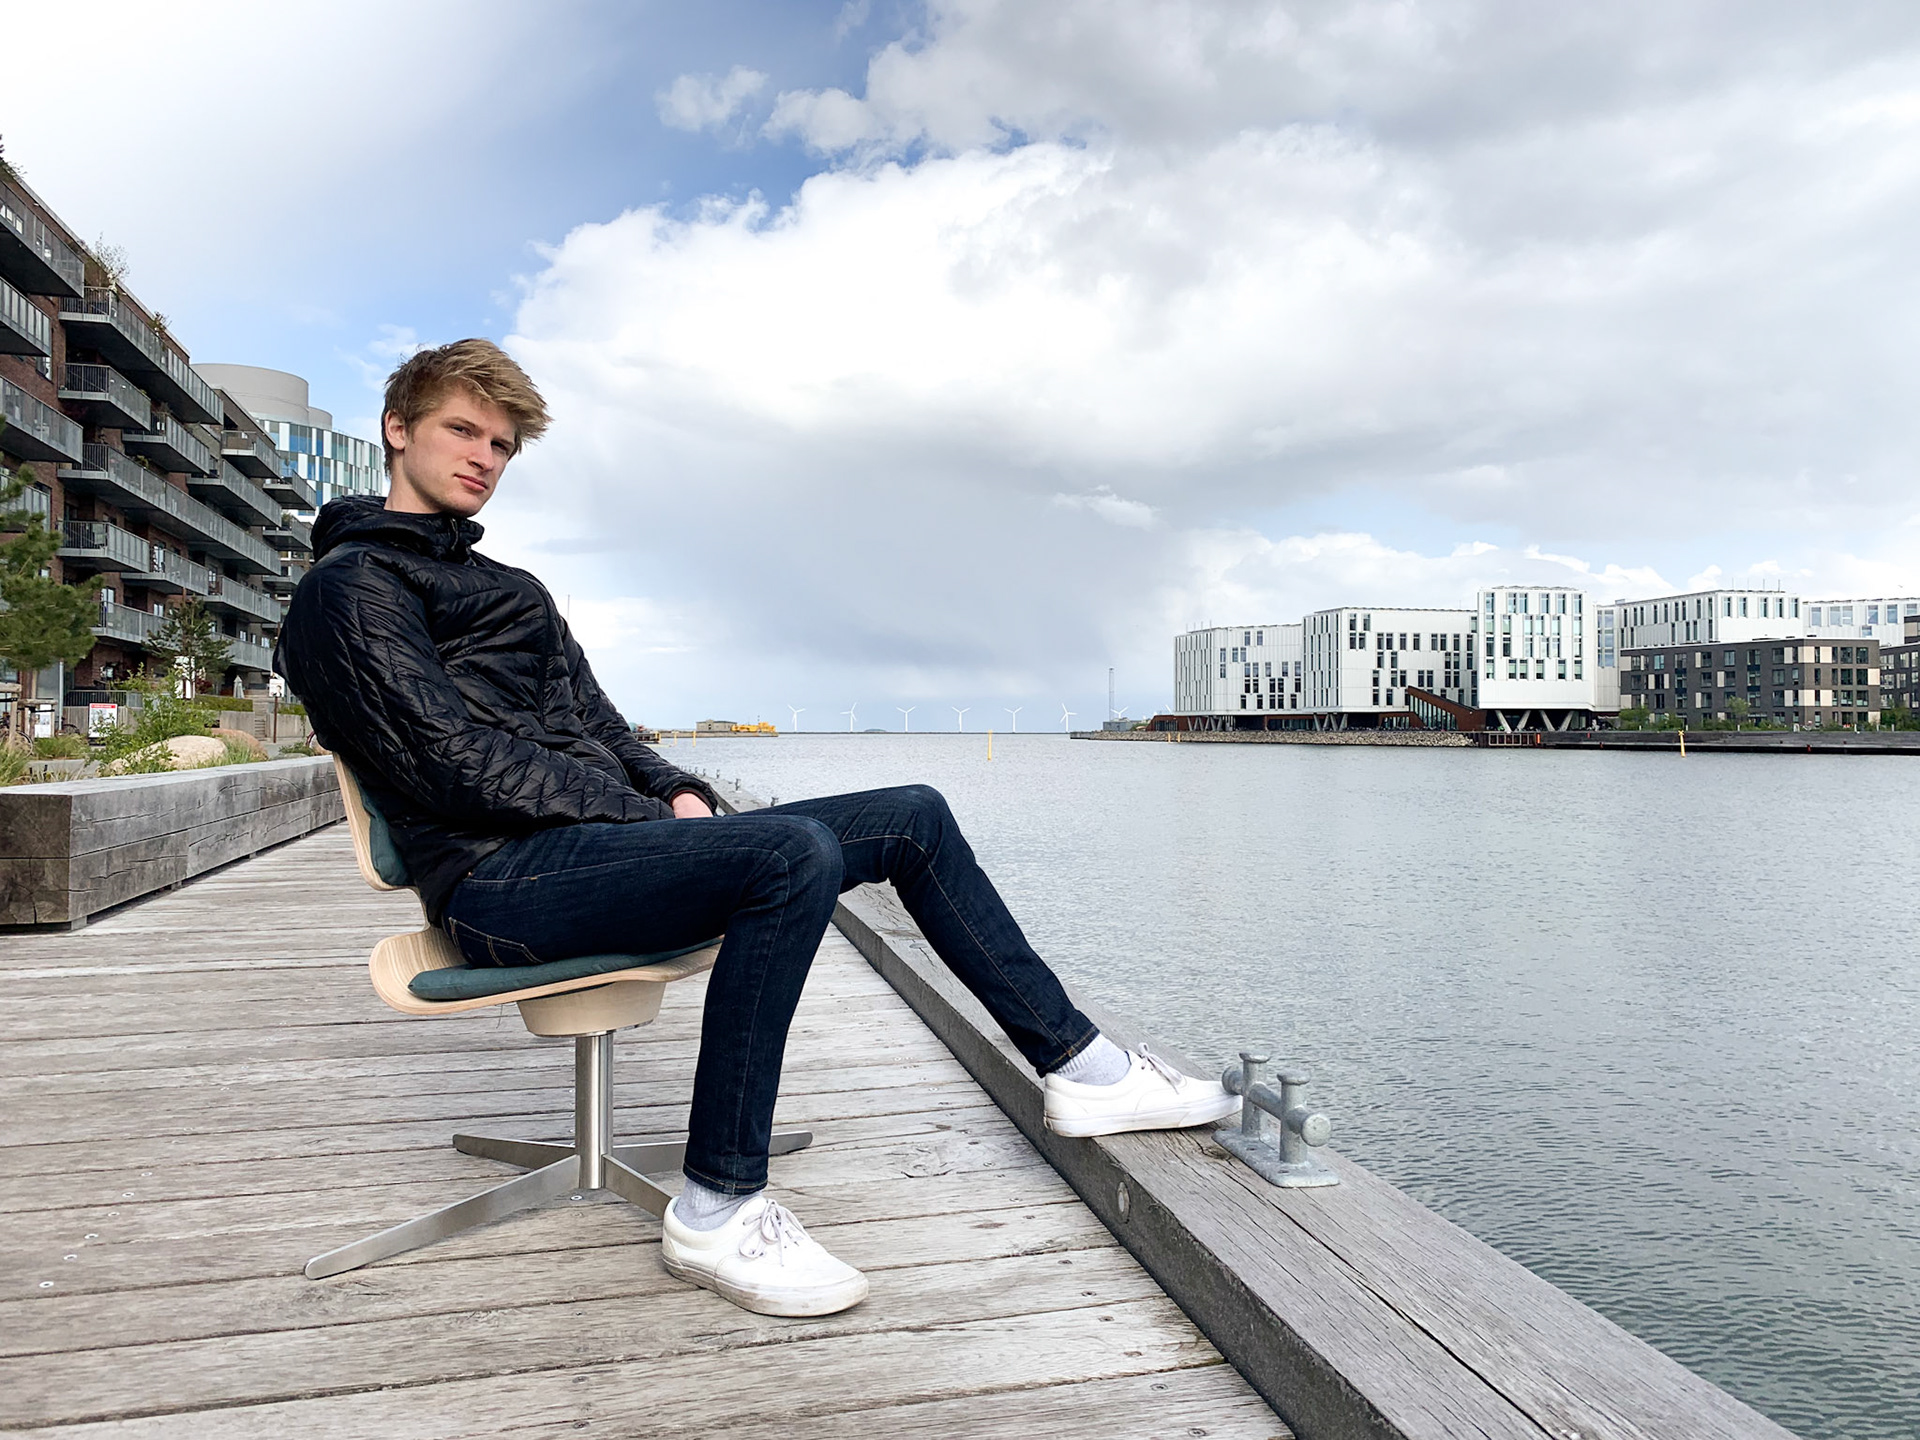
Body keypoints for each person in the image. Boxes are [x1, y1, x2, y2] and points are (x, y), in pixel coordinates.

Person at [276, 339, 1237, 1318]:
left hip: (597, 851)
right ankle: (718, 1207)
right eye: (463, 431)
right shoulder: (350, 590)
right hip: (498, 882)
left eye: (503, 445)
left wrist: (679, 788)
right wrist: (643, 815)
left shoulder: (515, 590)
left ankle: (1083, 1068)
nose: (485, 457)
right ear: (398, 430)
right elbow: (450, 763)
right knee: (790, 853)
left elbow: (603, 727)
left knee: (913, 814)